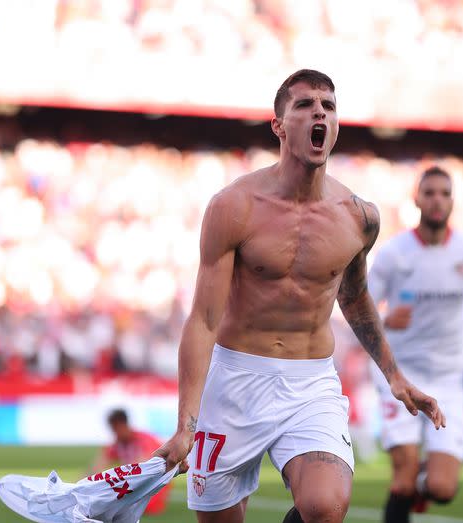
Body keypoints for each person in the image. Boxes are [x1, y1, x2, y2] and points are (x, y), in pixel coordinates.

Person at [154, 69, 444, 523]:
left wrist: (394, 375)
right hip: (235, 381)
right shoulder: (234, 206)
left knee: (325, 508)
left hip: (309, 382)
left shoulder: (359, 216)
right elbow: (204, 320)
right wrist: (185, 425)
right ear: (279, 125)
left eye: (328, 106)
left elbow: (355, 297)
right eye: (305, 105)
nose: (319, 114)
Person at [367, 166, 463, 523]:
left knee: (441, 488)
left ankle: (423, 480)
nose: (437, 200)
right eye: (430, 193)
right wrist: (385, 320)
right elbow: (360, 306)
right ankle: (409, 484)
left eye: (444, 193)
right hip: (400, 378)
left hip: (449, 380)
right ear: (417, 198)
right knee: (403, 478)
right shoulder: (394, 253)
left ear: (453, 200)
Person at [90, 408, 170, 515]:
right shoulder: (118, 443)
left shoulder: (144, 439)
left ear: (123, 424)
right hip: (133, 484)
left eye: (115, 428)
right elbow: (98, 466)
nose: (114, 433)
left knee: (113, 506)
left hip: (153, 486)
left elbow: (144, 467)